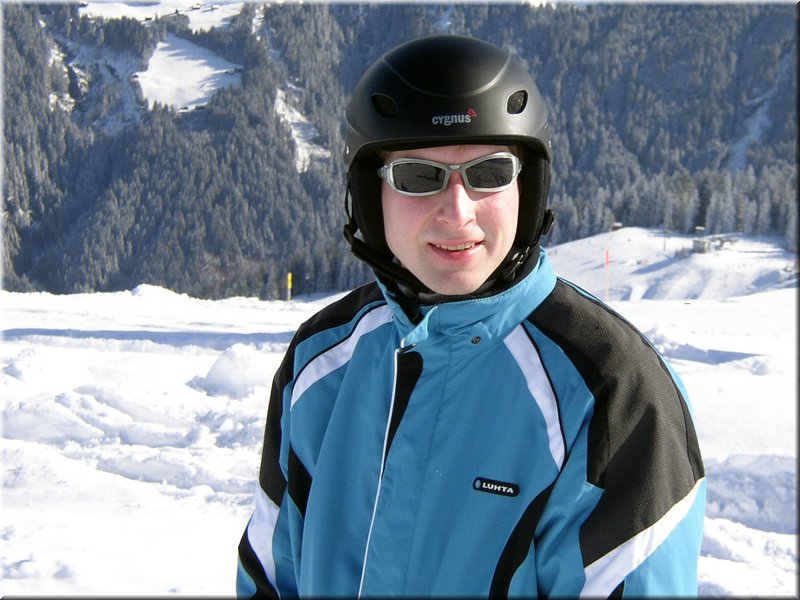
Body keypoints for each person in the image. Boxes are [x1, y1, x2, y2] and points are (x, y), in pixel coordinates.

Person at [237, 34, 706, 598]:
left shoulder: (612, 392)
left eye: (489, 173)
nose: (456, 212)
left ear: (526, 188)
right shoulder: (321, 361)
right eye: (418, 176)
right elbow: (271, 576)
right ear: (370, 196)